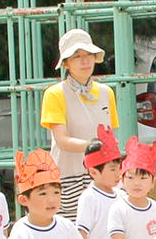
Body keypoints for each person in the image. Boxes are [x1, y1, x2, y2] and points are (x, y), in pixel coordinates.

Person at [40, 28, 118, 222]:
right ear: (65, 63)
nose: (85, 61)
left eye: (88, 55)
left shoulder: (106, 92)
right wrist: (95, 147)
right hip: (69, 175)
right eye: (77, 57)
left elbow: (111, 135)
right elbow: (62, 140)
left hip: (101, 176)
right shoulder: (54, 93)